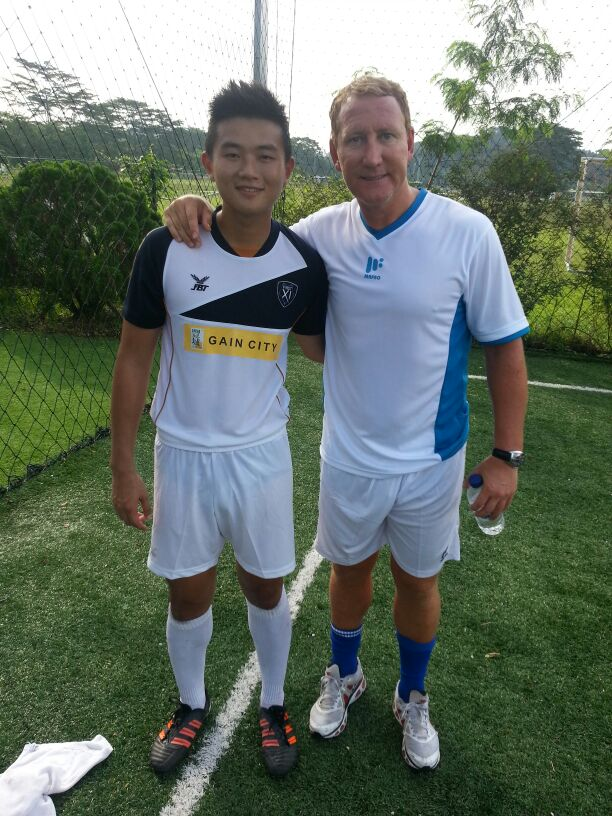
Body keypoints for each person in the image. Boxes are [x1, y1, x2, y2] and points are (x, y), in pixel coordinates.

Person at [162, 73, 528, 771]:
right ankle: (345, 675)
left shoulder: (467, 232)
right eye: (356, 139)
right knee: (348, 573)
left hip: (432, 459)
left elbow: (505, 347)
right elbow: (244, 236)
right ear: (334, 153)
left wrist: (506, 454)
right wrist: (193, 211)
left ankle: (412, 695)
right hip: (349, 456)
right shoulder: (316, 237)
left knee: (418, 583)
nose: (372, 154)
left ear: (410, 142)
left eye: (386, 136)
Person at [110, 80, 327, 778]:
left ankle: (274, 702)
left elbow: (324, 348)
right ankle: (191, 703)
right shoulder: (168, 247)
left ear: (288, 167)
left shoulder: (304, 266)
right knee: (188, 592)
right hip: (183, 456)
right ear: (209, 162)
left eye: (265, 155)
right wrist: (123, 466)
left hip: (261, 457)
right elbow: (133, 358)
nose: (249, 169)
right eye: (232, 153)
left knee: (266, 586)